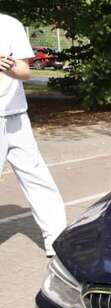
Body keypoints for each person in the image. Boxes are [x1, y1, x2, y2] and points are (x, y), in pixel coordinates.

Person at [0, 14, 66, 257]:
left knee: (38, 179)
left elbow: (25, 71)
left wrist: (9, 66)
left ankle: (57, 241)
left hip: (17, 116)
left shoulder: (9, 24)